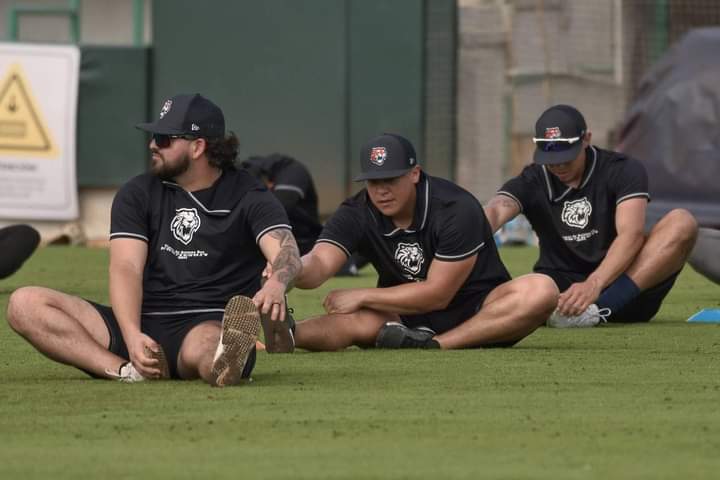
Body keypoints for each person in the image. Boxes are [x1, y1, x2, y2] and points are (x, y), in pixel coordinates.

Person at [6, 93, 300, 386]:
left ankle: (227, 358)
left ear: (198, 147)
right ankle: (127, 370)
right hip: (140, 321)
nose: (152, 145)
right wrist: (132, 335)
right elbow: (126, 268)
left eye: (163, 139)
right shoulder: (138, 193)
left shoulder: (250, 195)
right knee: (24, 303)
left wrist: (277, 282)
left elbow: (285, 249)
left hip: (205, 322)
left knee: (212, 348)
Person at [287, 133, 558, 350]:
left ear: (414, 173)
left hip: (480, 310)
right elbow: (320, 261)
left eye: (390, 179)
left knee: (541, 289)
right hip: (402, 317)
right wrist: (287, 271)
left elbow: (438, 294)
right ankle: (283, 337)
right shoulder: (357, 211)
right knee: (353, 323)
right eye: (373, 181)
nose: (381, 191)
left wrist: (362, 295)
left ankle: (436, 345)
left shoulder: (456, 207)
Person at [484, 104, 698, 328]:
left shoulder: (623, 170)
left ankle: (598, 312)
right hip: (560, 296)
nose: (558, 166)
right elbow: (497, 209)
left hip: (625, 290)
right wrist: (469, 228)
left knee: (682, 222)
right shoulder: (531, 180)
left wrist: (594, 285)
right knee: (477, 230)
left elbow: (631, 235)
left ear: (586, 139)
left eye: (566, 158)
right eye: (550, 158)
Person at [242, 153, 367, 275]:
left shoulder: (292, 171)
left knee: (331, 264)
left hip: (305, 242)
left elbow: (280, 207)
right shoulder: (244, 172)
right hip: (272, 244)